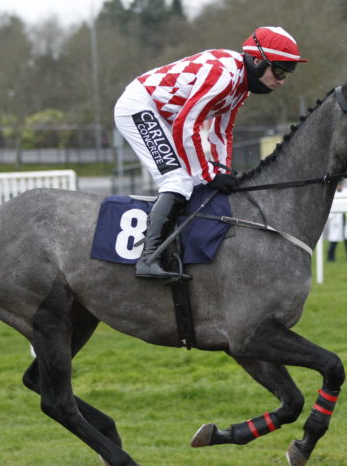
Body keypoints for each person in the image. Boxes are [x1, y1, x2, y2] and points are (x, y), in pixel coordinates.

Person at [114, 26, 307, 279]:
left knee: (196, 180)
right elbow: (186, 124)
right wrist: (208, 174)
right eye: (279, 71)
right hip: (139, 106)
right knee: (178, 180)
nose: (282, 80)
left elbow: (221, 132)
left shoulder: (240, 86)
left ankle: (180, 251)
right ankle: (148, 258)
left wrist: (222, 171)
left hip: (164, 116)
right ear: (258, 61)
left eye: (286, 74)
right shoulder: (224, 77)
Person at [326, 183, 347, 262]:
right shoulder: (332, 192)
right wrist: (332, 216)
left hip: (346, 218)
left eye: (340, 184)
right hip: (336, 220)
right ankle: (330, 258)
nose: (339, 186)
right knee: (334, 240)